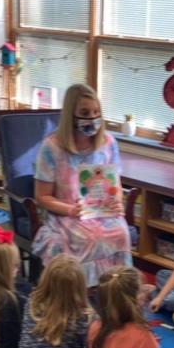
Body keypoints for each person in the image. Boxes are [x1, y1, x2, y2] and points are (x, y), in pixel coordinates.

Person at [32, 83, 131, 288]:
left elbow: (116, 185)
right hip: (67, 213)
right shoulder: (52, 147)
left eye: (96, 112)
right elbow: (42, 197)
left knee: (121, 233)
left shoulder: (108, 143)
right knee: (90, 237)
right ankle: (80, 295)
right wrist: (71, 209)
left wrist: (117, 202)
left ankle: (116, 291)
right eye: (85, 113)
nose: (92, 118)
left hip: (101, 212)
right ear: (71, 115)